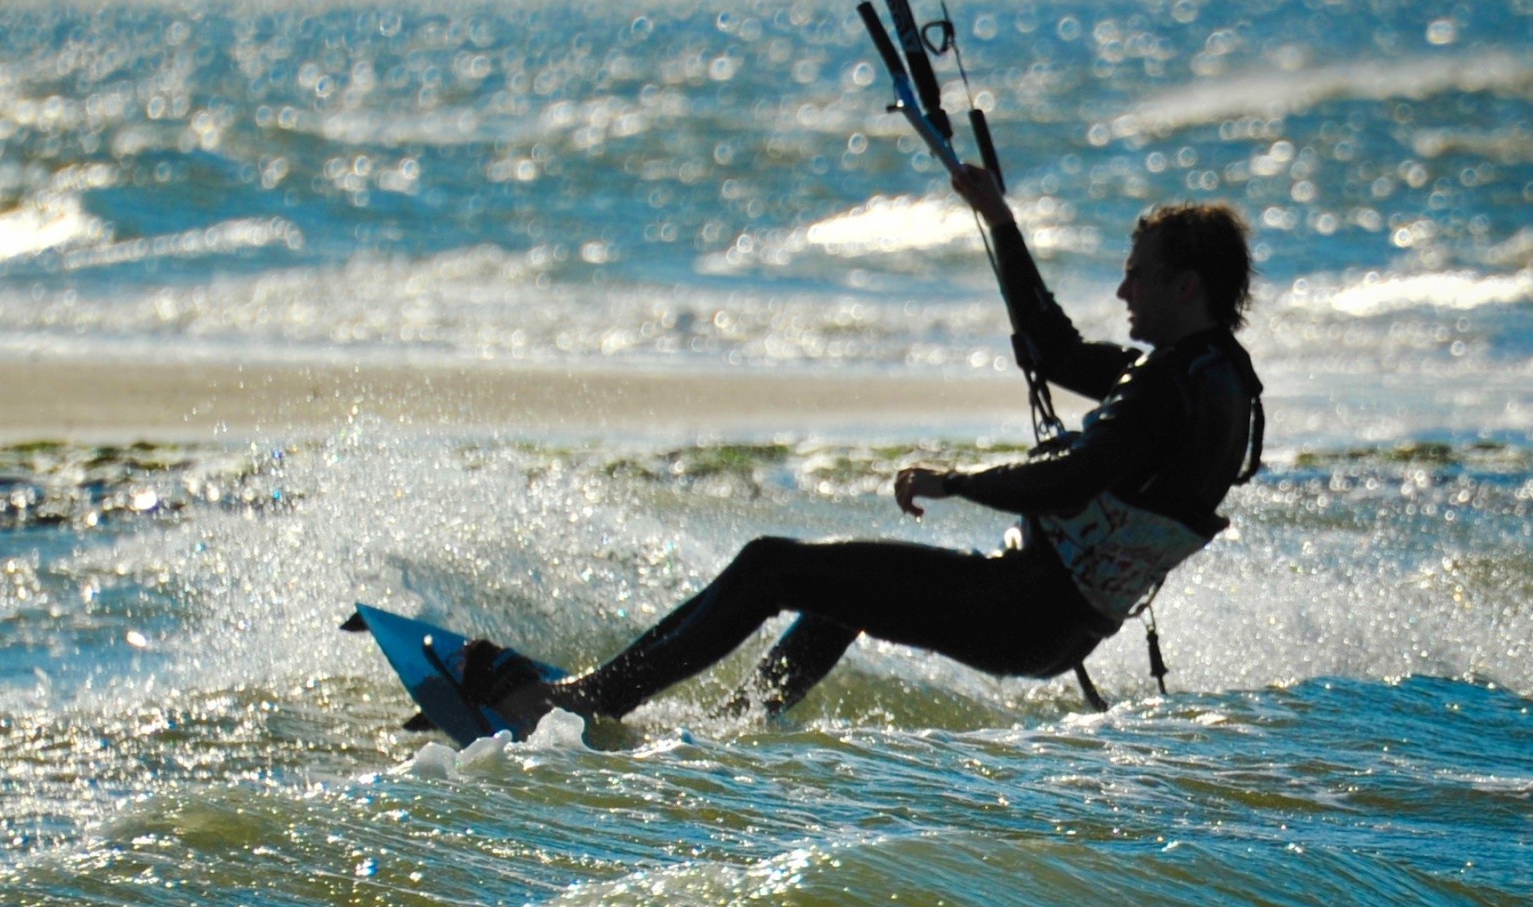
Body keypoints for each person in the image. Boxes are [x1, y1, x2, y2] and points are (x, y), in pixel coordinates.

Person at [470, 165, 1265, 728]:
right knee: (834, 594)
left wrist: (958, 481)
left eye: (1138, 277)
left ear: (1186, 284)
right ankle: (741, 727)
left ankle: (586, 702)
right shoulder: (1216, 381)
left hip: (1025, 607)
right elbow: (1054, 353)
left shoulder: (1166, 388)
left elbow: (1071, 482)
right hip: (1056, 623)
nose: (1124, 292)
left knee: (769, 563)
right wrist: (999, 221)